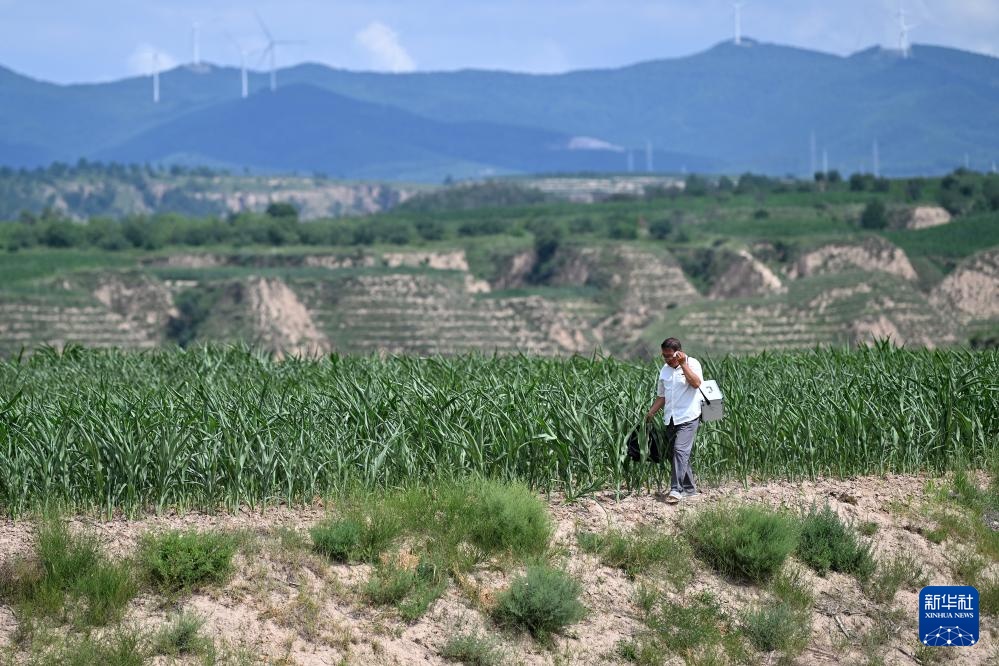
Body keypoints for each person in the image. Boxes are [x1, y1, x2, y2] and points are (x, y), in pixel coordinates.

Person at [645, 337, 703, 503]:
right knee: (675, 454)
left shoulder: (692, 363)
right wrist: (650, 413)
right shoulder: (664, 370)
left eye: (669, 356)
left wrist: (683, 364)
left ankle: (676, 490)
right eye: (664, 356)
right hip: (670, 418)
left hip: (688, 416)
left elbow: (696, 383)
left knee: (679, 450)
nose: (667, 359)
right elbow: (662, 396)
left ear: (678, 353)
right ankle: (690, 489)